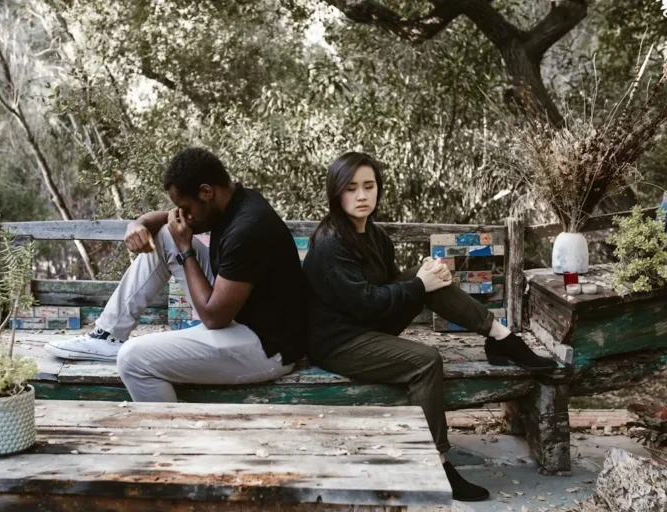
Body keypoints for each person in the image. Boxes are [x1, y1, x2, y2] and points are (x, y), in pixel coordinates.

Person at [302, 152, 558, 502]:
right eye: (351, 189)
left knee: (427, 278)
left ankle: (501, 338)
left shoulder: (374, 236)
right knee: (426, 360)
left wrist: (427, 278)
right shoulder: (330, 244)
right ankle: (437, 462)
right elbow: (366, 302)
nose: (362, 196)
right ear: (336, 193)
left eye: (369, 186)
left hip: (366, 325)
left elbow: (390, 286)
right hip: (338, 341)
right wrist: (420, 285)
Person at [45, 147, 307, 402]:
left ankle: (173, 433)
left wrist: (186, 249)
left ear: (206, 192)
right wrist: (137, 225)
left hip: (267, 348)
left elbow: (214, 318)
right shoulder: (232, 201)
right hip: (239, 316)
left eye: (186, 207)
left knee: (133, 359)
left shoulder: (248, 228)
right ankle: (108, 334)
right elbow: (168, 219)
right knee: (167, 233)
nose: (184, 215)